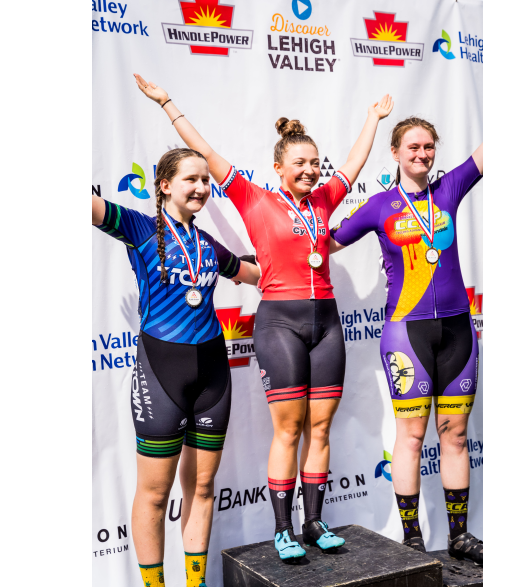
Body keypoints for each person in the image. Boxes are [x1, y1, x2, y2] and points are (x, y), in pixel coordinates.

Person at [133, 73, 393, 562]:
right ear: (279, 167)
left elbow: (355, 165)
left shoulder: (324, 200)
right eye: (301, 163)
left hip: (328, 321)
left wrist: (372, 120)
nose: (312, 171)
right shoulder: (253, 197)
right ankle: (281, 529)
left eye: (316, 164)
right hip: (279, 321)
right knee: (289, 428)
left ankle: (314, 521)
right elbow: (205, 152)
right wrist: (169, 103)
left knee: (321, 428)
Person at [92, 148, 261, 587]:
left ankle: (195, 583)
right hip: (161, 373)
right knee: (153, 494)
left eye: (206, 180)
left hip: (213, 375)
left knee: (202, 489)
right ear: (165, 185)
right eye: (192, 179)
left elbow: (253, 273)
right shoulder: (139, 227)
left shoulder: (207, 244)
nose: (202, 188)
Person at [330, 118, 484, 565]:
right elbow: (329, 242)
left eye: (429, 147)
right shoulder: (379, 207)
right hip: (406, 335)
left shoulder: (450, 188)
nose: (422, 154)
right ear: (395, 152)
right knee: (412, 437)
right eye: (413, 147)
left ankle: (460, 536)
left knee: (454, 436)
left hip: (458, 333)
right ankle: (412, 538)